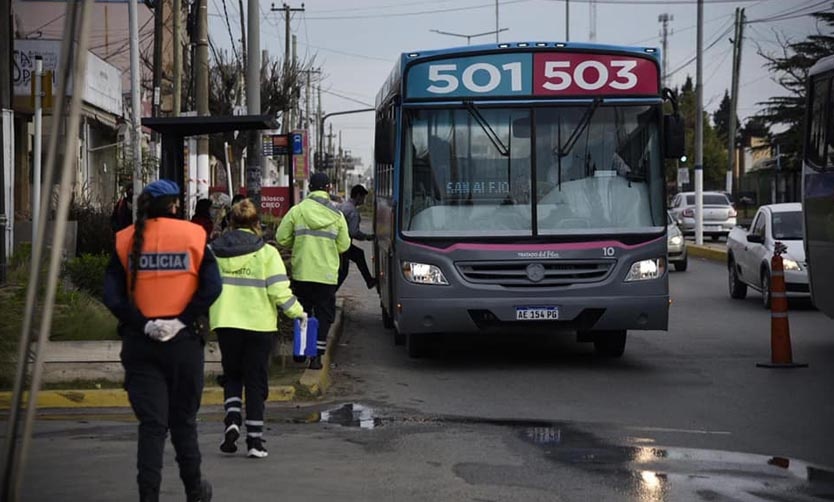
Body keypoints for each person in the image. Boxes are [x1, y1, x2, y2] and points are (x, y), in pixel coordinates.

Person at [103, 179, 221, 502]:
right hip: (183, 345)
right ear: (174, 206)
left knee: (152, 427)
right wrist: (180, 321)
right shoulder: (194, 236)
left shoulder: (125, 240)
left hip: (141, 347)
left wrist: (144, 324)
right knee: (183, 422)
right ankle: (196, 491)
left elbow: (111, 296)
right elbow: (212, 288)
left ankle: (149, 496)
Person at [209, 199, 307, 459]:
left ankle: (231, 419)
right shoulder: (267, 254)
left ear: (230, 223)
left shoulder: (213, 251)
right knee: (255, 381)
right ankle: (254, 441)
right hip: (258, 325)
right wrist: (299, 313)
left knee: (232, 375)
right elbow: (279, 292)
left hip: (226, 323)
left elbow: (204, 286)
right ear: (256, 224)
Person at [276, 171, 350, 370]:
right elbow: (344, 246)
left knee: (304, 312)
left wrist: (297, 243)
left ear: (309, 189)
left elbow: (281, 237)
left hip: (302, 273)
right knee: (324, 315)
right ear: (328, 190)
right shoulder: (337, 215)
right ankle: (316, 357)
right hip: (326, 276)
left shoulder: (297, 211)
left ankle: (301, 351)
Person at [337, 184, 376, 290]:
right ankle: (369, 281)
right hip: (343, 244)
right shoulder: (353, 212)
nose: (364, 200)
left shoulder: (343, 205)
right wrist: (366, 237)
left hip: (336, 241)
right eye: (363, 197)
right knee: (343, 271)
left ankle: (369, 281)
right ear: (358, 196)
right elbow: (353, 232)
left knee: (344, 269)